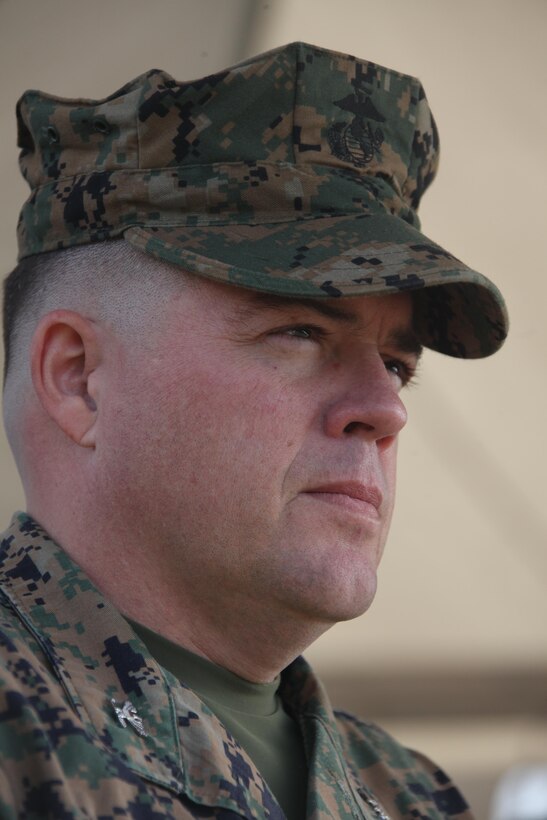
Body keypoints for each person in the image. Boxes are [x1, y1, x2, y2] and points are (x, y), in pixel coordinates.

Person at [0, 42, 507, 819]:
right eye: (301, 331)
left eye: (398, 365)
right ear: (78, 379)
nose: (386, 409)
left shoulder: (414, 797)